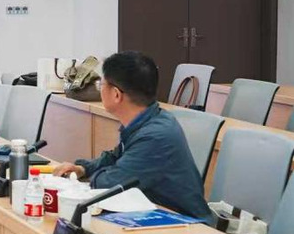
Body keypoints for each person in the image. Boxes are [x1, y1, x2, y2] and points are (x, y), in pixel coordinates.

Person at [50, 52, 212, 223]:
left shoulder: (155, 137)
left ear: (116, 94)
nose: (100, 89)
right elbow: (115, 157)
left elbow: (110, 184)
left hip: (185, 225)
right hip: (155, 214)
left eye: (101, 84)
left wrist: (85, 178)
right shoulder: (147, 118)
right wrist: (83, 169)